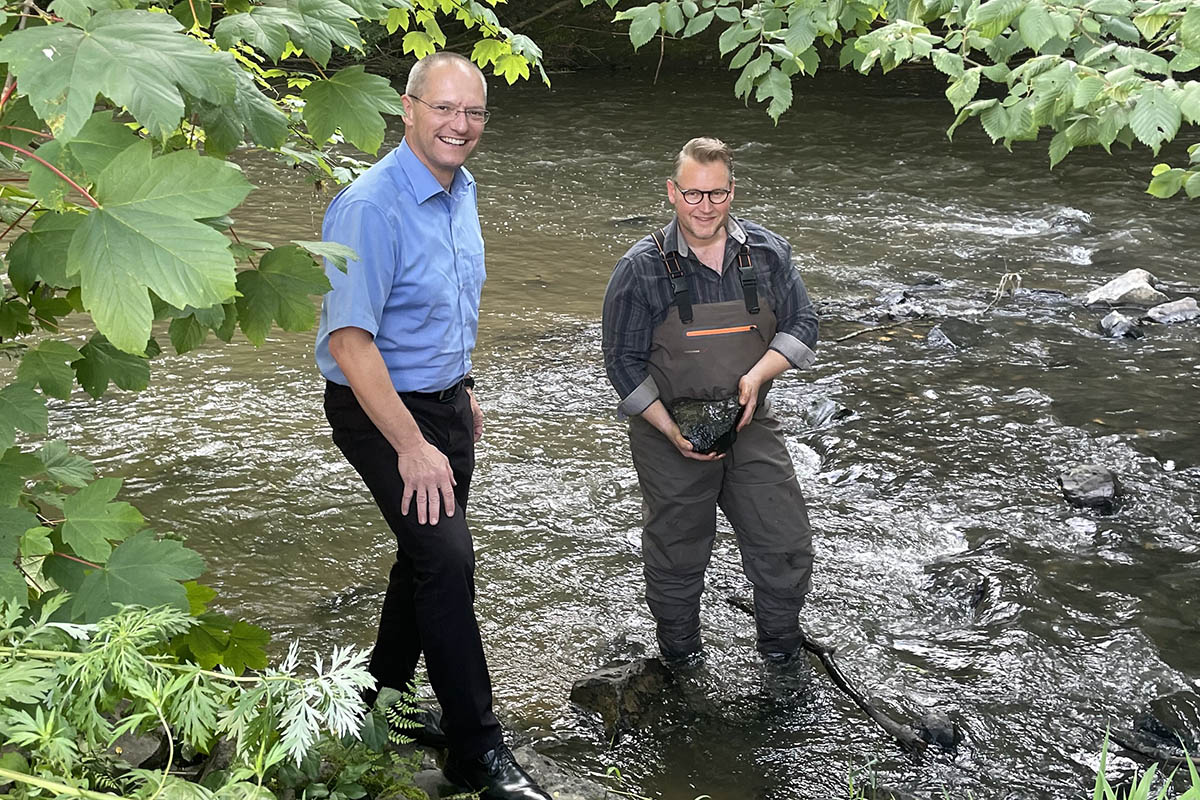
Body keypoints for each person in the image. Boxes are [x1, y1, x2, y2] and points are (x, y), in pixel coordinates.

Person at [315, 52, 550, 800]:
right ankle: (476, 748)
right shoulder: (370, 204)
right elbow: (351, 343)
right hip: (378, 407)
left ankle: (378, 697)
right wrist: (411, 445)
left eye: (473, 112)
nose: (460, 125)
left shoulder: (461, 188)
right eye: (444, 109)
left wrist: (464, 384)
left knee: (423, 557)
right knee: (448, 562)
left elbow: (445, 301)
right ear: (409, 111)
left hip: (446, 401)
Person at [601, 137, 819, 665]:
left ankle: (783, 658)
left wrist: (757, 376)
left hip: (751, 420)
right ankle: (681, 661)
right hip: (667, 430)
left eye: (717, 194)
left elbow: (803, 324)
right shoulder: (641, 268)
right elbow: (622, 362)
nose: (705, 207)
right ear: (672, 193)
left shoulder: (767, 253)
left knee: (784, 542)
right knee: (677, 554)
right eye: (694, 195)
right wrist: (669, 429)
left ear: (732, 191)